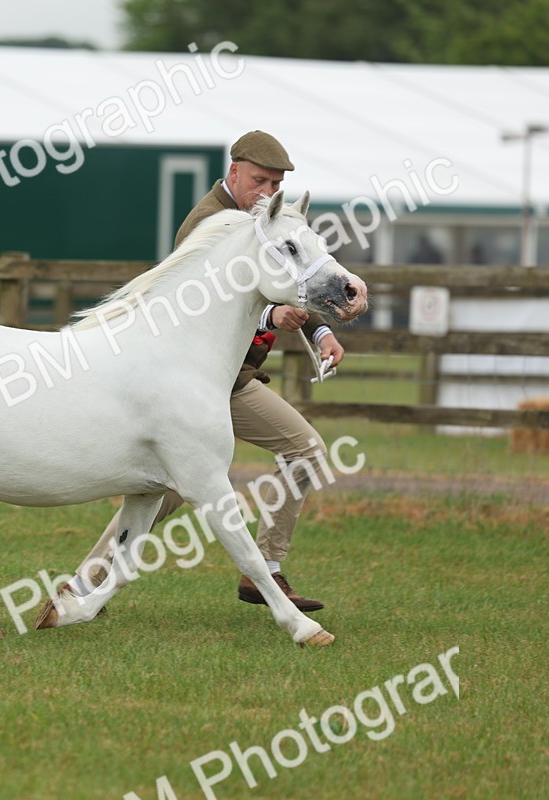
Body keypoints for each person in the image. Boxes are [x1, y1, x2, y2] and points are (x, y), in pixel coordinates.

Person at [71, 131, 346, 613]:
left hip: (226, 380)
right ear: (234, 171)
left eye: (276, 182)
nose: (267, 191)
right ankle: (265, 571)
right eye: (259, 180)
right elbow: (204, 301)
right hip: (200, 383)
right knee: (300, 450)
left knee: (173, 488)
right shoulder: (206, 223)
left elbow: (296, 275)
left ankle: (85, 584)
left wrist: (320, 333)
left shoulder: (272, 218)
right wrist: (269, 317)